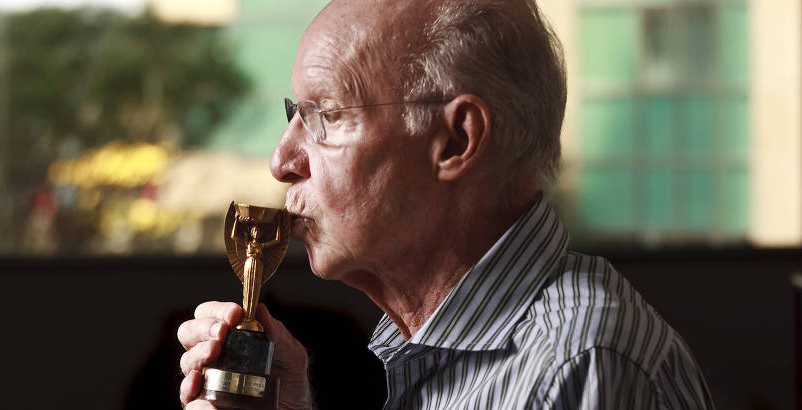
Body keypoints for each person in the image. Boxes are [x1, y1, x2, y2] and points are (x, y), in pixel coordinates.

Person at [177, 0, 715, 408]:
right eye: (295, 113)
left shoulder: (575, 369)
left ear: (456, 141)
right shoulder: (435, 347)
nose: (281, 160)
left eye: (327, 116)